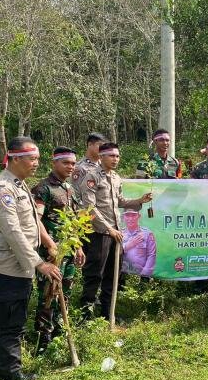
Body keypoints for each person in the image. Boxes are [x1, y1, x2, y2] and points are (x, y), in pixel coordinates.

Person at [0, 137, 61, 380]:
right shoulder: (3, 189)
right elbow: (13, 232)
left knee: (11, 324)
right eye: (32, 159)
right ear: (15, 158)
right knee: (10, 327)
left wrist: (48, 244)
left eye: (38, 159)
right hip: (10, 269)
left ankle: (10, 375)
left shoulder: (20, 185)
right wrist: (39, 263)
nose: (36, 164)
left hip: (20, 268)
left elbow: (31, 222)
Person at [79, 142, 152, 320]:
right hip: (99, 234)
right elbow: (89, 207)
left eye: (118, 156)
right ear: (101, 156)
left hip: (115, 233)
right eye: (112, 156)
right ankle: (85, 316)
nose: (116, 159)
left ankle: (107, 314)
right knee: (94, 274)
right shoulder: (91, 176)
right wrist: (108, 228)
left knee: (113, 276)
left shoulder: (116, 177)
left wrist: (139, 200)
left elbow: (120, 201)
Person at [30, 146, 86, 355]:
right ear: (54, 163)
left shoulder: (68, 188)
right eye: (66, 163)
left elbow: (72, 220)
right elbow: (36, 220)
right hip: (51, 253)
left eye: (73, 163)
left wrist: (78, 246)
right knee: (48, 294)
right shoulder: (43, 188)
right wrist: (49, 244)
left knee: (66, 291)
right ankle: (43, 340)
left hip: (68, 251)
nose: (70, 166)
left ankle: (59, 333)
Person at [122, 209, 157, 277]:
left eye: (134, 215)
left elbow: (151, 255)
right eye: (127, 215)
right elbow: (113, 252)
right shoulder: (120, 233)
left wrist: (145, 274)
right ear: (123, 217)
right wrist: (128, 246)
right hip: (122, 274)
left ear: (139, 216)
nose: (130, 218)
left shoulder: (147, 234)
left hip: (141, 273)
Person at [71, 132, 106, 199]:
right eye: (100, 145)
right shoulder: (80, 168)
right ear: (90, 145)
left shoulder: (104, 165)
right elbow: (76, 196)